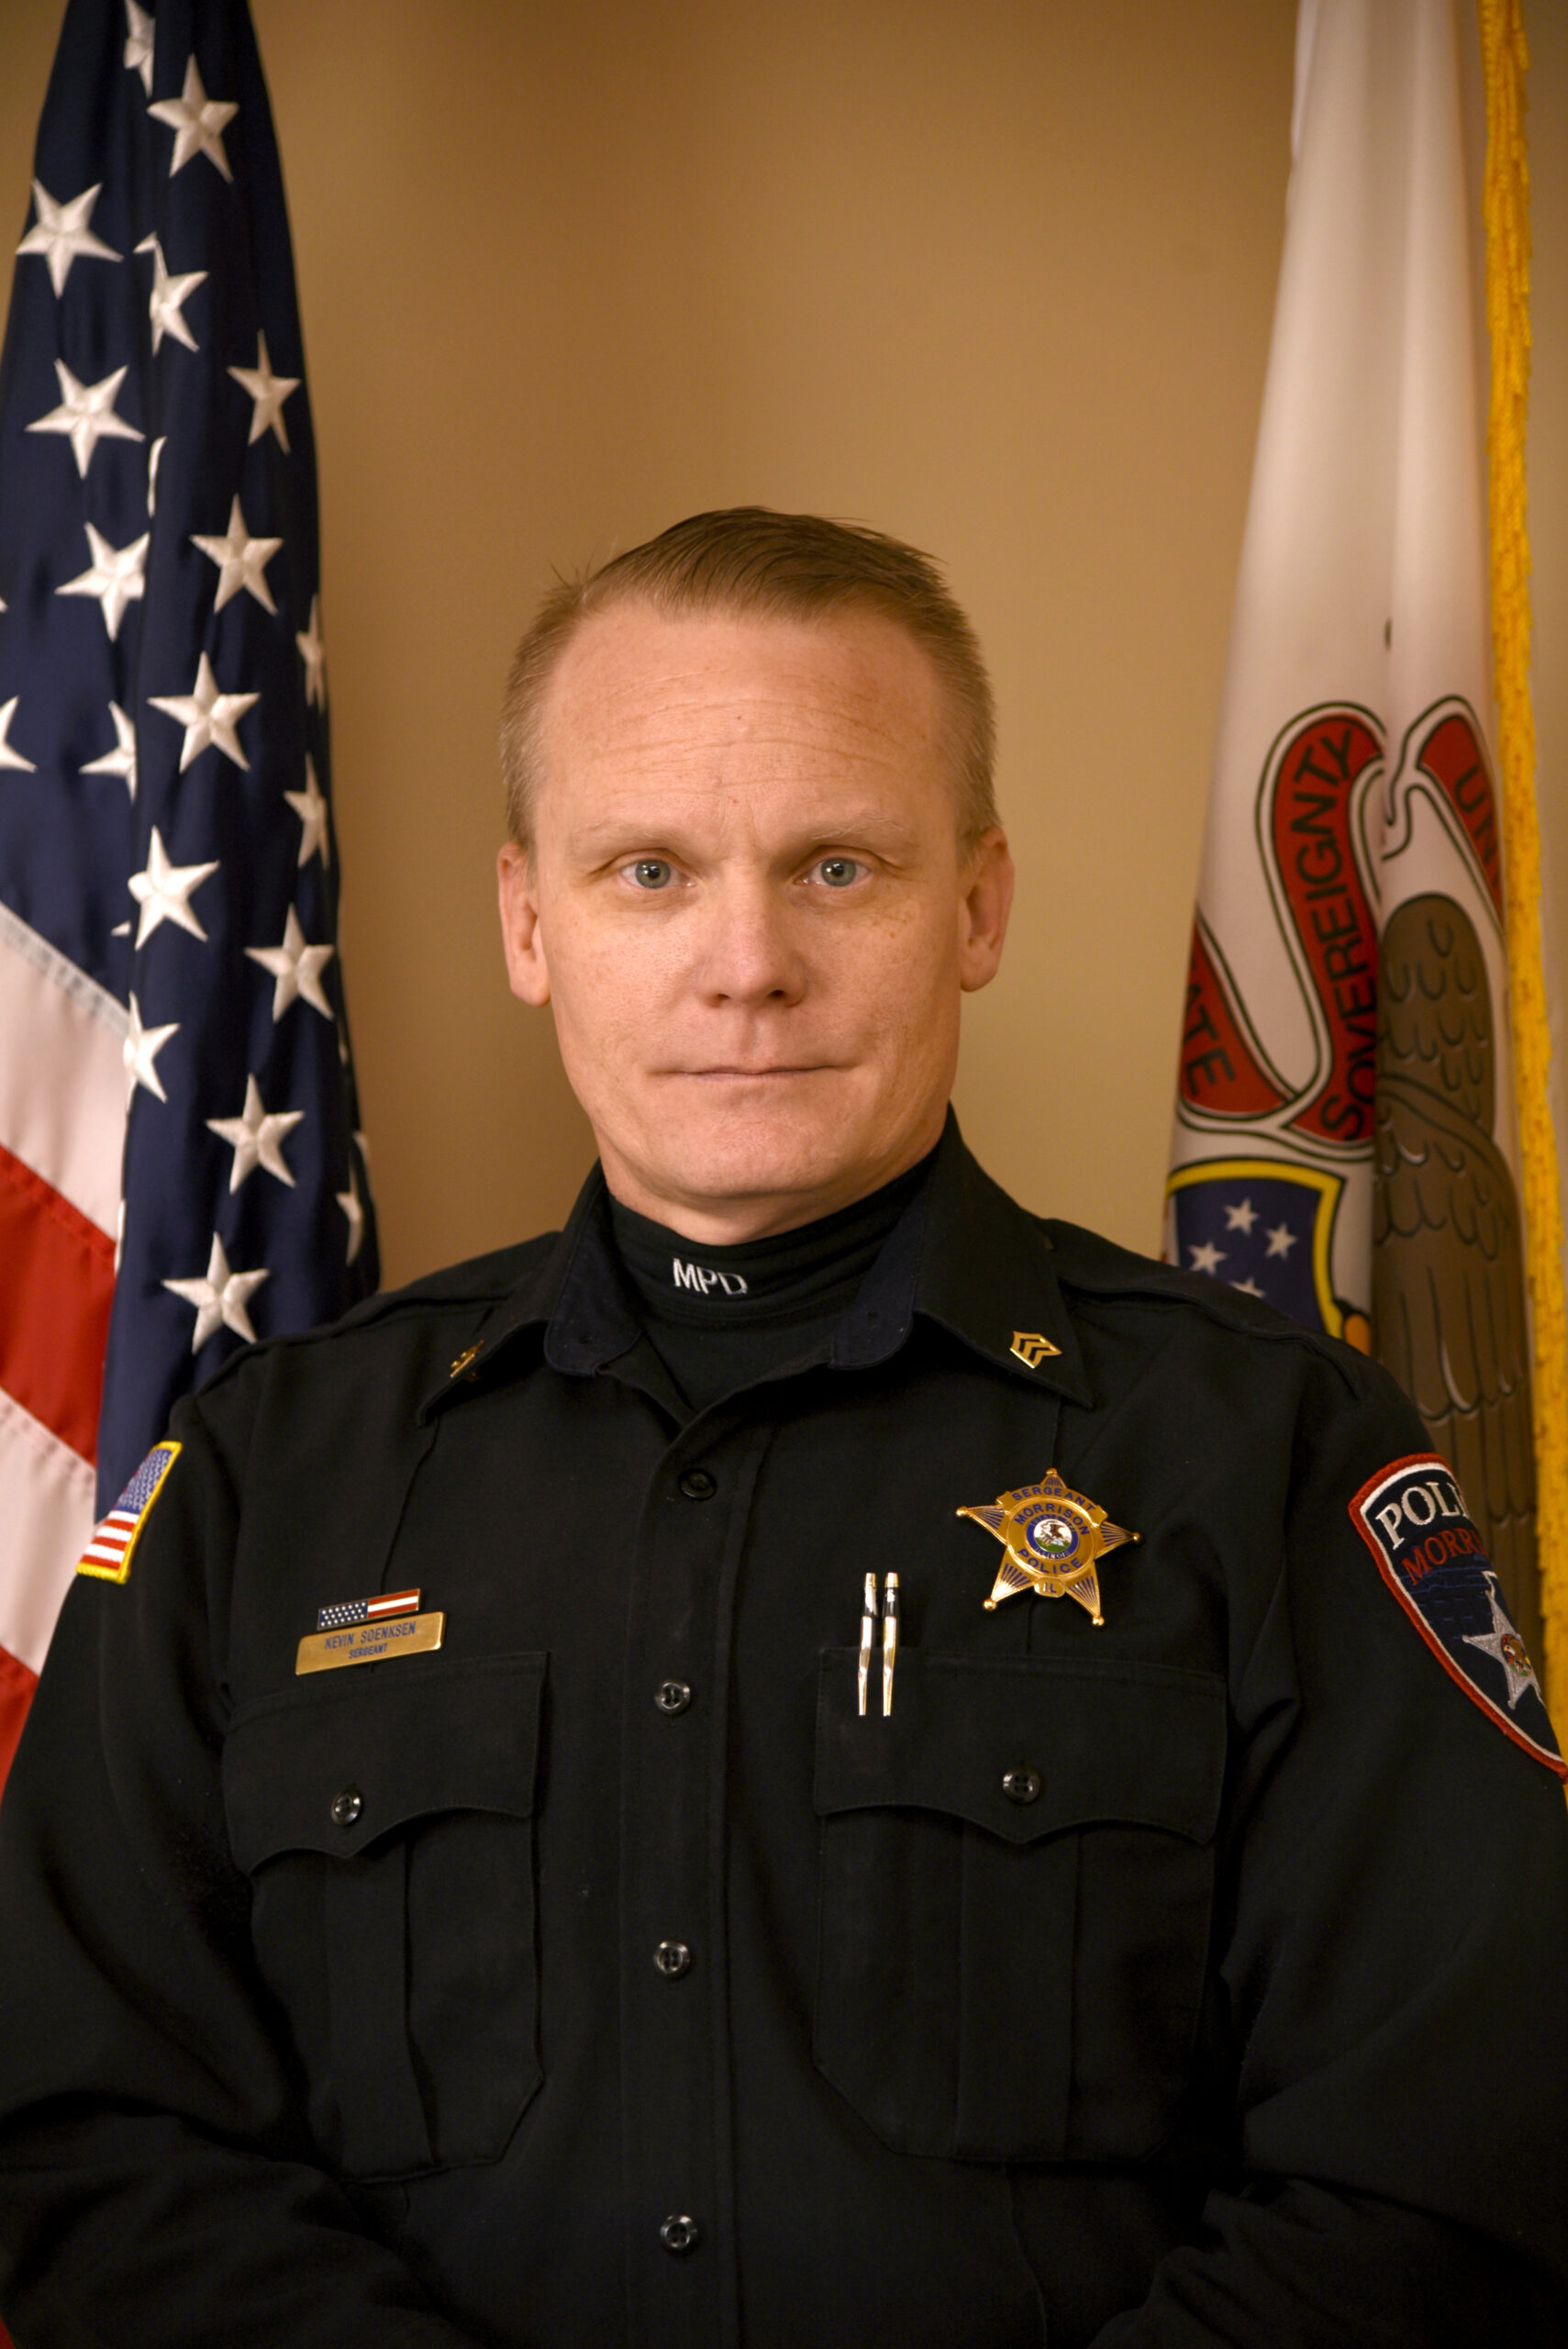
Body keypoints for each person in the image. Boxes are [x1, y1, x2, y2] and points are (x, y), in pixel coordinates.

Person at [1, 508, 1565, 2349]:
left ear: (976, 903)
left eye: (837, 866)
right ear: (529, 918)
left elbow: (1457, 2151)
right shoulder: (268, 1482)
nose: (747, 962)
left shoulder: (1273, 1450)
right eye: (649, 869)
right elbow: (88, 2123)